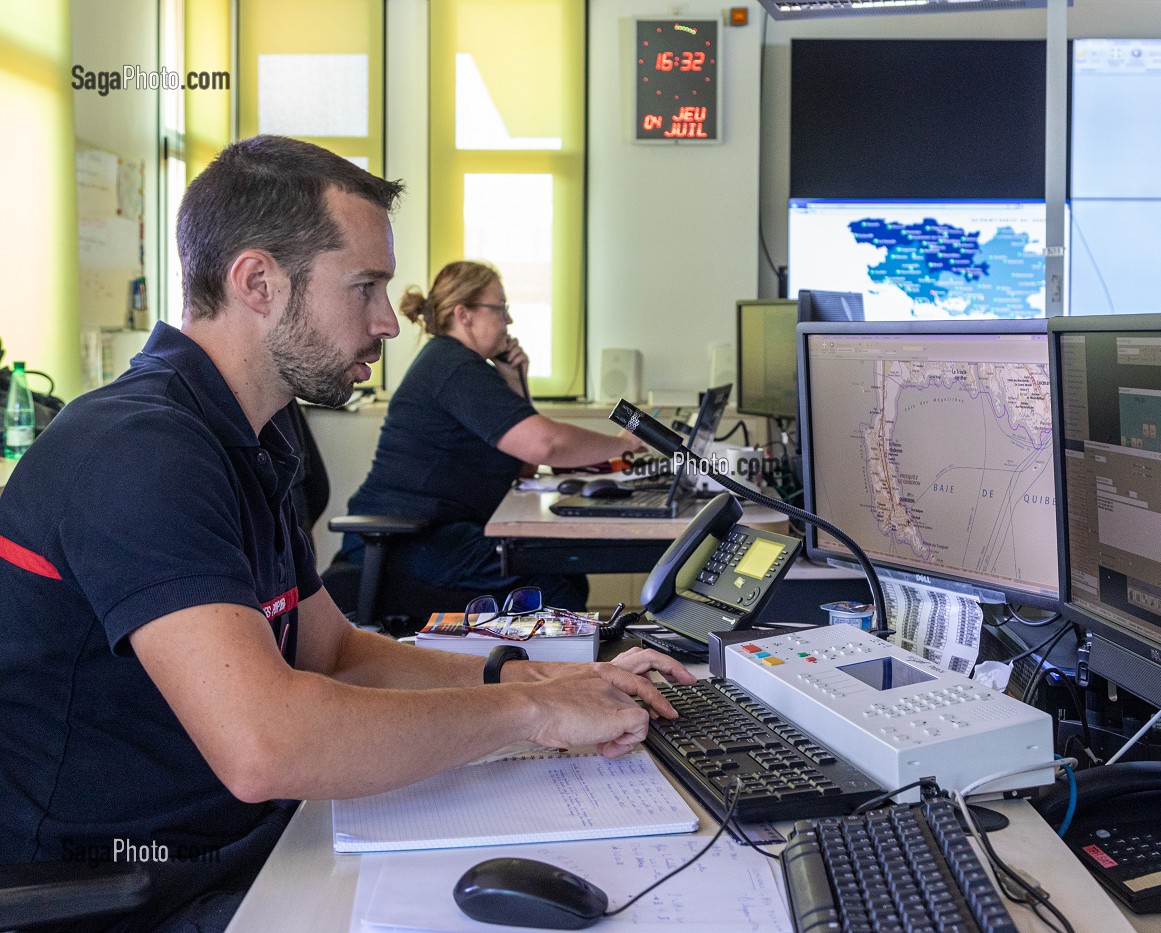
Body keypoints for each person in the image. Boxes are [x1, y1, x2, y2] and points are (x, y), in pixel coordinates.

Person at [0, 135, 694, 933]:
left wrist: (535, 681)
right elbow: (266, 744)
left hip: (242, 841)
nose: (388, 322)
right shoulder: (139, 448)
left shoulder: (260, 432)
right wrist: (533, 718)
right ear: (257, 281)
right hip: (130, 891)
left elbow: (335, 652)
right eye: (364, 286)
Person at [341, 261, 644, 610]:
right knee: (552, 585)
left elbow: (526, 466)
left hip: (436, 534)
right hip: (408, 540)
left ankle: (550, 664)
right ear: (464, 315)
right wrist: (623, 444)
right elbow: (545, 444)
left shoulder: (467, 368)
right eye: (500, 309)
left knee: (565, 575)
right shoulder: (452, 366)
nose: (509, 321)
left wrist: (515, 382)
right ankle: (545, 666)